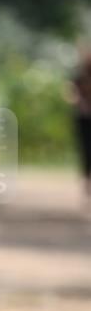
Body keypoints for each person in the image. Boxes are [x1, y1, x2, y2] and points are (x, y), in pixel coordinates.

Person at [67, 49, 91, 206]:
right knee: (86, 151)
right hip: (83, 118)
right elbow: (70, 92)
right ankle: (87, 185)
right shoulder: (78, 76)